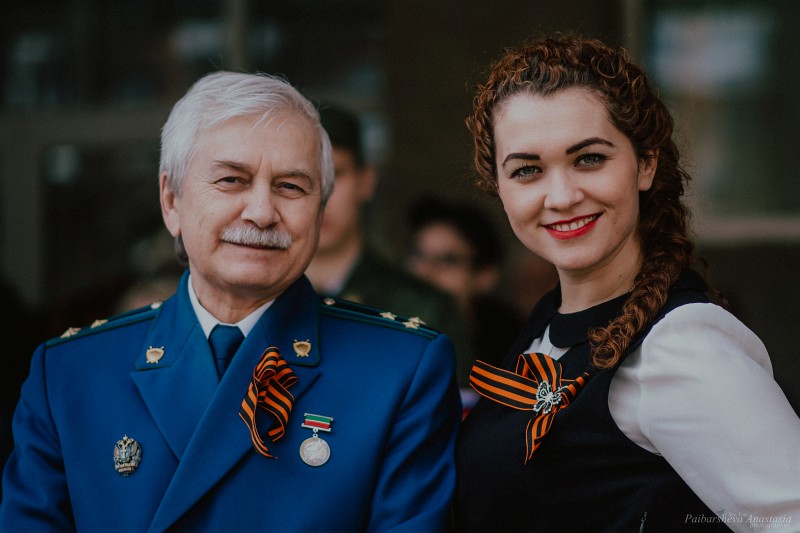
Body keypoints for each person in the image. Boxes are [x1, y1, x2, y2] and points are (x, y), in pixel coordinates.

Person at [0, 72, 461, 532]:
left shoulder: (401, 371)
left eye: (291, 187)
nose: (261, 212)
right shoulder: (70, 375)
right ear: (171, 201)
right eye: (231, 180)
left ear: (320, 211)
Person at [455, 36, 800, 532]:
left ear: (645, 163)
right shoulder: (548, 325)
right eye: (527, 170)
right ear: (500, 187)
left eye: (589, 159)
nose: (561, 196)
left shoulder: (680, 346)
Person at [306, 103, 471, 385]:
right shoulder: (259, 300)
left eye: (335, 175)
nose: (321, 195)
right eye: (303, 178)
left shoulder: (424, 307)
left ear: (366, 181)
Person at [406, 196, 524, 367]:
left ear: (485, 276)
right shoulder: (384, 328)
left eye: (448, 260)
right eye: (418, 255)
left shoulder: (513, 349)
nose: (424, 271)